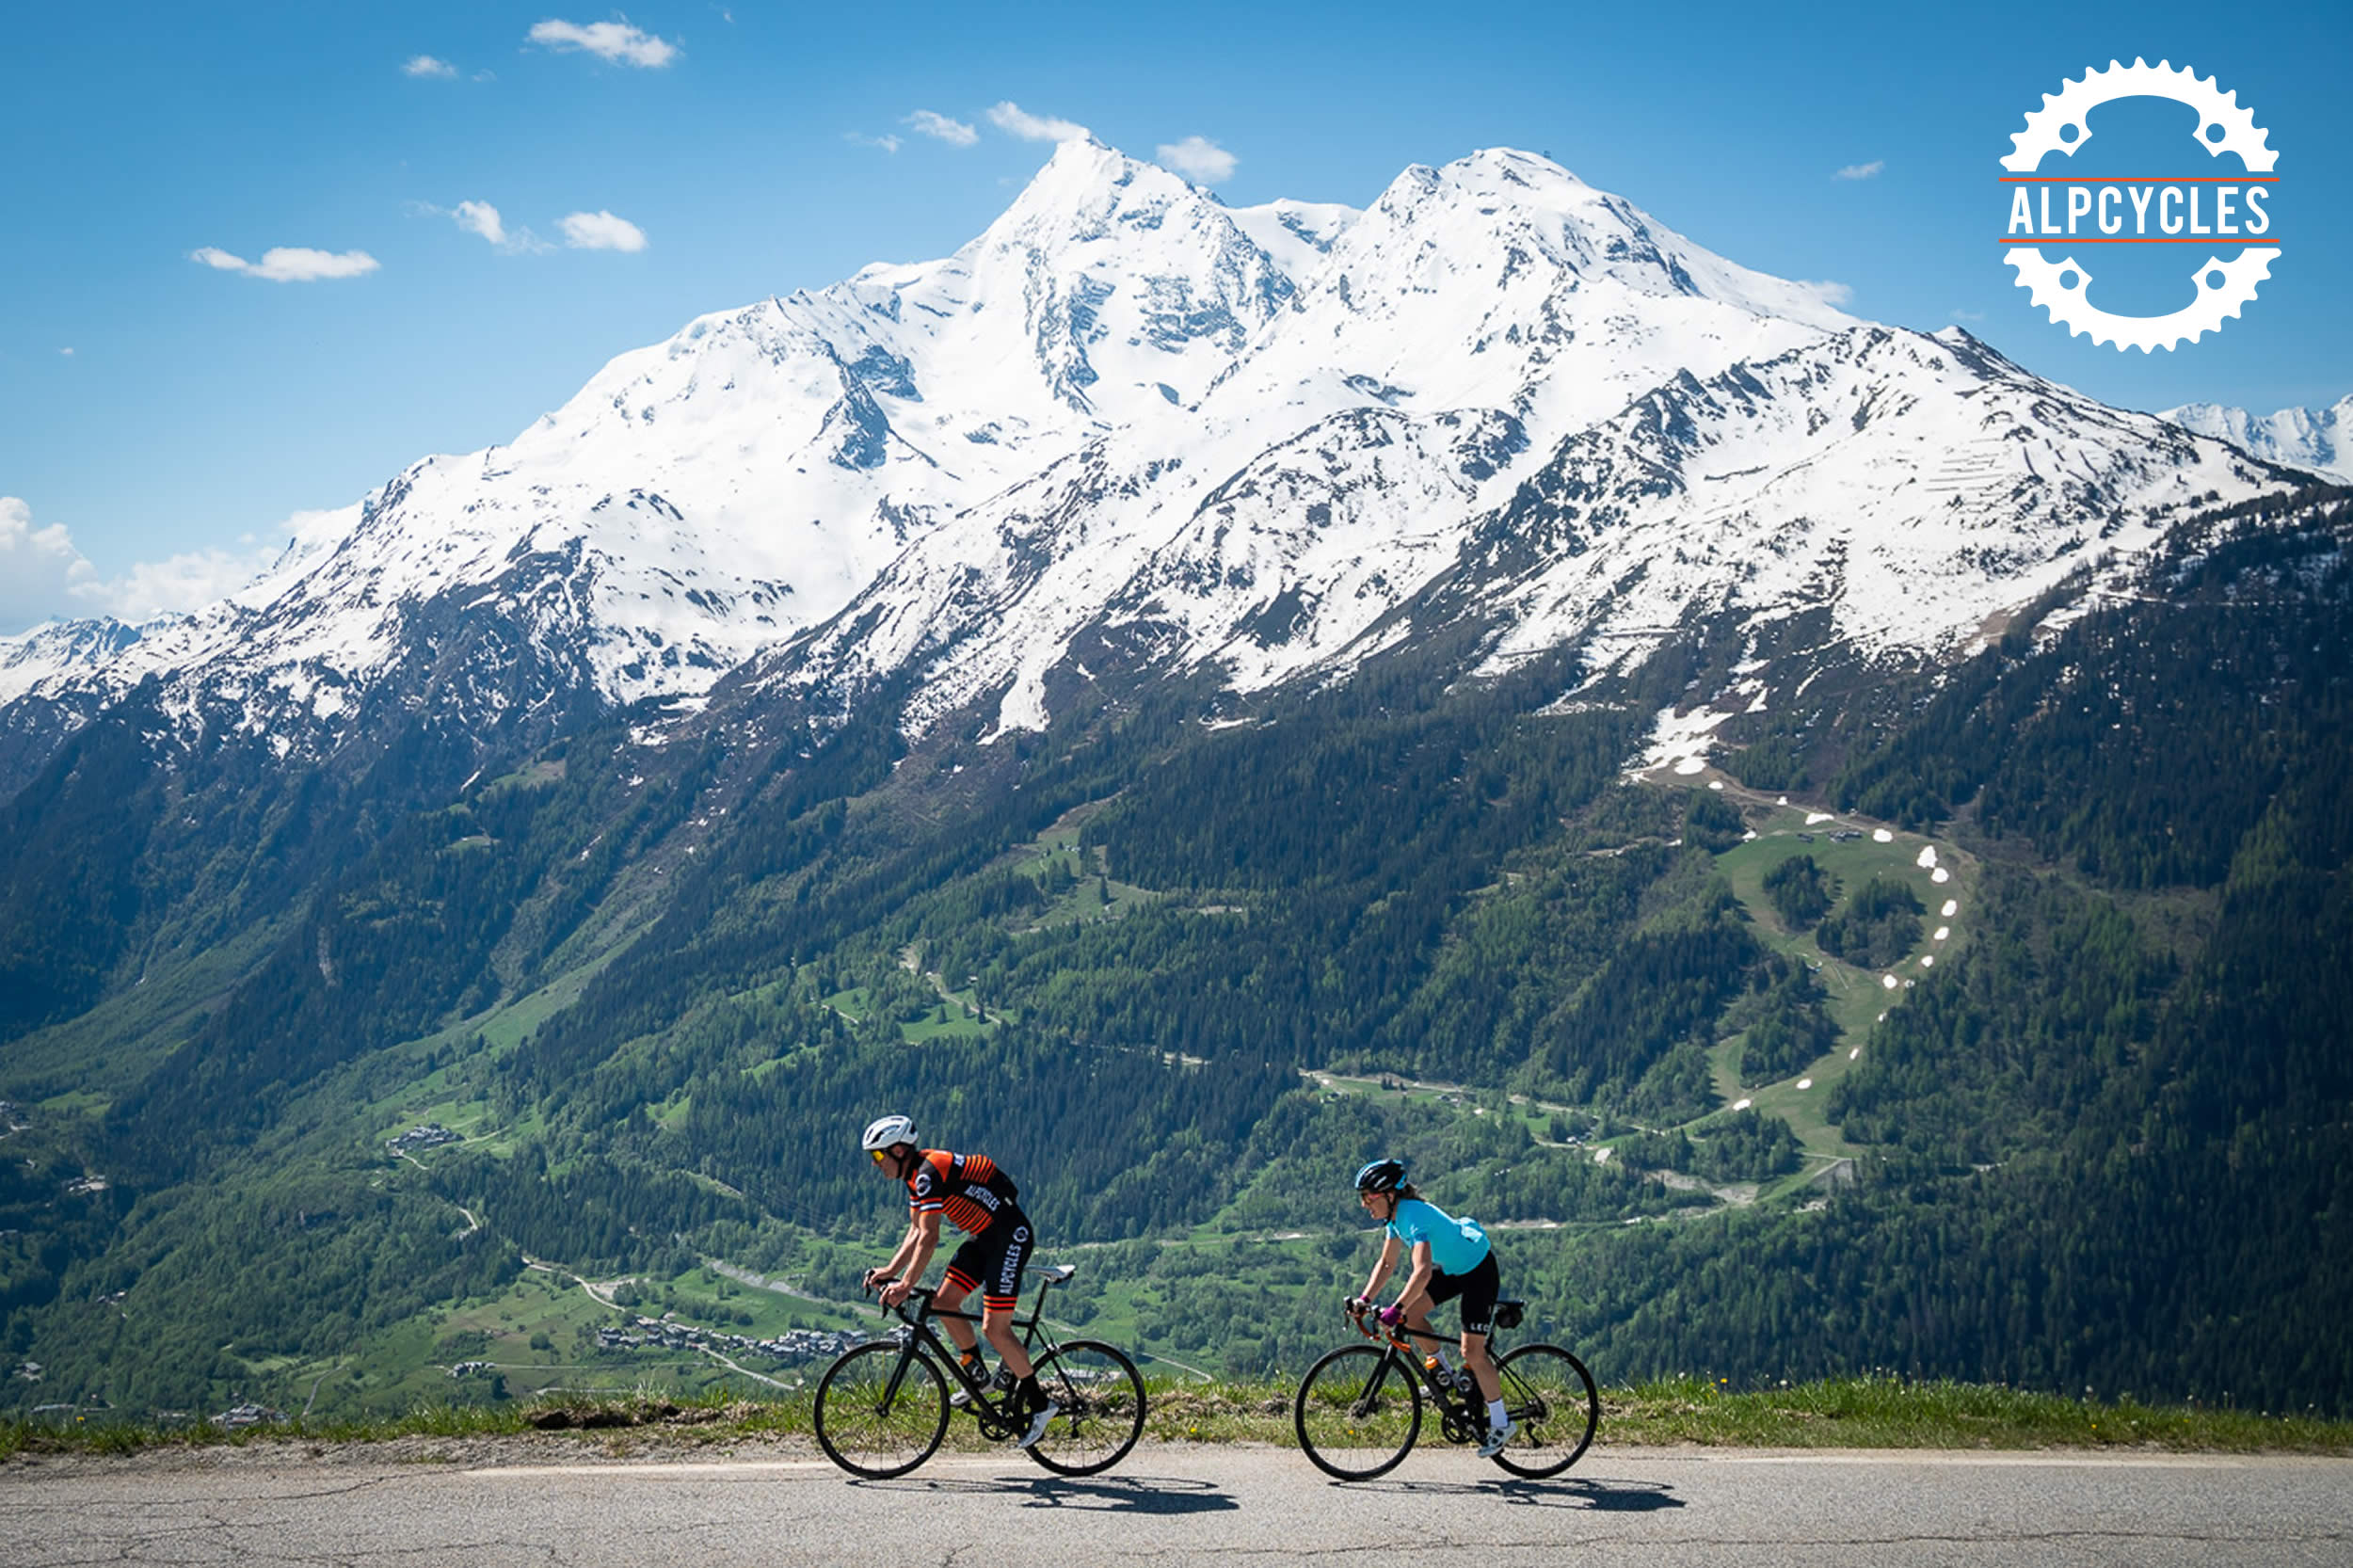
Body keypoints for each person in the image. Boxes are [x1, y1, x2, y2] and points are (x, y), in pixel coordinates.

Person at [858, 1113, 1056, 1448]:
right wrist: (890, 1271)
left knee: (995, 1328)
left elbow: (930, 1237)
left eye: (878, 1156)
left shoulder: (928, 1173)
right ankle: (978, 1377)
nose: (875, 1165)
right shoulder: (915, 1176)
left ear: (899, 1151)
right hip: (985, 1237)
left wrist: (905, 1285)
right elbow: (915, 1231)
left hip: (1010, 1237)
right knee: (943, 1303)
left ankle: (1041, 1404)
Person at [1348, 1158, 1515, 1457]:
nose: (1364, 1205)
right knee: (1412, 1315)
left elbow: (1422, 1272)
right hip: (1455, 1269)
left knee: (1473, 1352)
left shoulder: (1413, 1216)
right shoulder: (1395, 1219)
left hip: (1478, 1270)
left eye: (1368, 1196)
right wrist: (1365, 1299)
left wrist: (1395, 1309)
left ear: (1389, 1194)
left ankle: (1502, 1423)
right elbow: (1386, 1263)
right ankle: (1444, 1373)